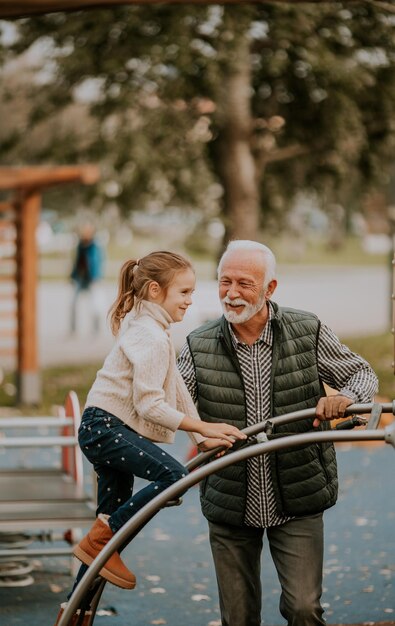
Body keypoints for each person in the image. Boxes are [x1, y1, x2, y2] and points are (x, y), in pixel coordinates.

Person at [177, 240, 378, 626]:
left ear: (270, 289)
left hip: (298, 495)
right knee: (238, 618)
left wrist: (346, 398)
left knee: (304, 609)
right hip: (231, 498)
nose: (231, 294)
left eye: (244, 284)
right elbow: (172, 405)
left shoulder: (307, 330)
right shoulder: (197, 345)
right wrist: (198, 434)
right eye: (224, 282)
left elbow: (362, 374)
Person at [54, 250, 246, 626]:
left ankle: (77, 612)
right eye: (185, 292)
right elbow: (150, 405)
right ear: (156, 290)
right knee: (174, 479)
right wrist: (203, 429)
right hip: (106, 428)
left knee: (109, 531)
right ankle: (99, 538)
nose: (191, 301)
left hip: (104, 427)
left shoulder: (149, 325)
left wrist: (200, 428)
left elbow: (174, 385)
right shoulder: (150, 335)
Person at [70, 223, 104, 335]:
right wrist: (73, 275)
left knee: (95, 306)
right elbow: (77, 262)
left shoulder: (95, 246)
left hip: (92, 279)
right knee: (73, 304)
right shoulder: (80, 245)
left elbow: (98, 262)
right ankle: (73, 329)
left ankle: (96, 329)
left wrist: (97, 277)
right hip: (81, 278)